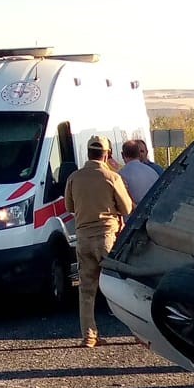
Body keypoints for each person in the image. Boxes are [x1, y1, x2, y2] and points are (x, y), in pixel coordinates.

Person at [63, 135, 133, 348]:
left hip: (83, 238)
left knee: (86, 289)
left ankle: (89, 336)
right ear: (106, 154)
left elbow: (69, 207)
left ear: (88, 153)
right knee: (119, 287)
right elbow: (127, 208)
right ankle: (137, 333)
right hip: (106, 237)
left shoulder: (74, 178)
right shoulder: (112, 178)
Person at [119, 138, 163, 204]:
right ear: (138, 154)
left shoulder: (121, 175)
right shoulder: (152, 172)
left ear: (122, 155)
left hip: (136, 212)